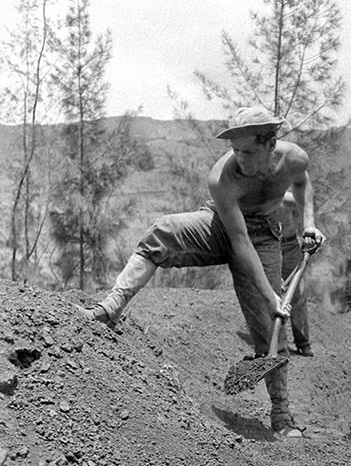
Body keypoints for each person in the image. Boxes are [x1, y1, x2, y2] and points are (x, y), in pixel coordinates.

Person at [81, 106, 325, 438]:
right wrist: (271, 295)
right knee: (162, 232)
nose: (240, 158)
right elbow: (239, 242)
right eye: (235, 150)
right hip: (222, 225)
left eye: (249, 151)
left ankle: (281, 414)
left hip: (265, 232)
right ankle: (111, 307)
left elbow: (302, 182)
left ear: (270, 144)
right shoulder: (222, 178)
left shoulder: (295, 158)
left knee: (271, 328)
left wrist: (309, 223)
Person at [271, 191, 316, 357]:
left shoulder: (289, 199)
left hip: (290, 246)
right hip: (268, 245)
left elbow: (307, 207)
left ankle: (303, 342)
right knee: (270, 292)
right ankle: (274, 342)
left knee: (297, 293)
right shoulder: (258, 197)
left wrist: (308, 230)